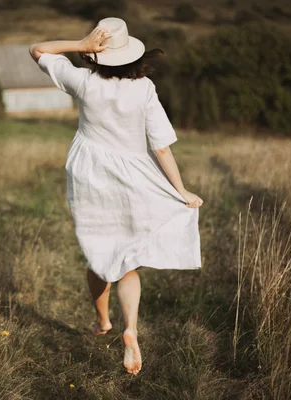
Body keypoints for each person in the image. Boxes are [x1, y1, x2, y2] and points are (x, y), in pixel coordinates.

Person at [29, 17, 202, 376]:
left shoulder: (83, 81)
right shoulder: (144, 89)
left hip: (90, 175)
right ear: (132, 56)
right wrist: (180, 190)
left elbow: (38, 49)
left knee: (99, 254)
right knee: (128, 261)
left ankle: (103, 321)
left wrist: (80, 45)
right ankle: (130, 330)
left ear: (98, 54)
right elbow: (162, 148)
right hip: (133, 177)